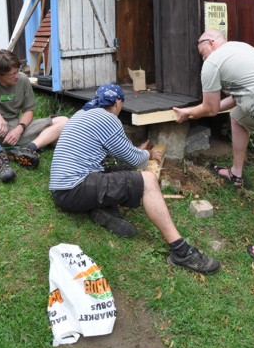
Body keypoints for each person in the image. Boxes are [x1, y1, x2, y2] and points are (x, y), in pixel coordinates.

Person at [49, 83, 220, 275]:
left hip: (62, 189)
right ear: (118, 102)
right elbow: (135, 159)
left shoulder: (83, 113)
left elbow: (119, 154)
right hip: (75, 188)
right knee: (147, 180)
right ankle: (180, 250)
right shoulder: (108, 120)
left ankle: (101, 210)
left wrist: (137, 150)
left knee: (120, 171)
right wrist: (148, 153)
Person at [173, 30, 254, 270]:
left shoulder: (213, 62)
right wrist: (196, 109)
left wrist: (188, 112)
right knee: (238, 117)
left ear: (211, 42)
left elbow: (211, 108)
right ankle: (236, 173)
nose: (202, 58)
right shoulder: (238, 49)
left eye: (201, 51)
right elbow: (234, 100)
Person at [0, 49, 69, 184]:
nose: (17, 75)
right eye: (12, 74)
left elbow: (29, 111)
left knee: (63, 121)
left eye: (18, 70)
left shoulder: (22, 79)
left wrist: (19, 129)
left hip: (13, 131)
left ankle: (27, 149)